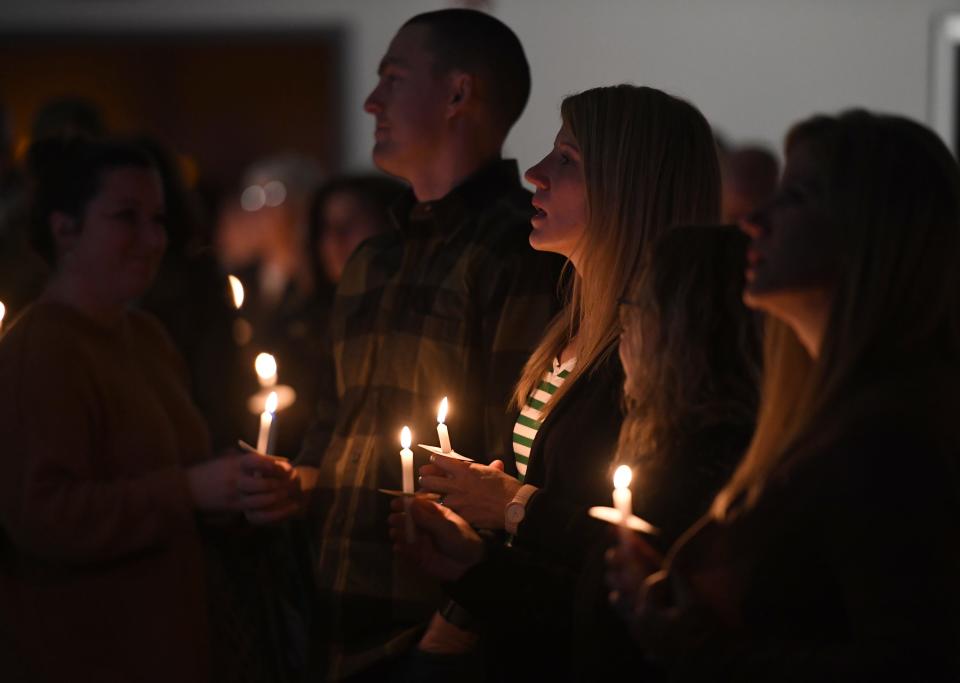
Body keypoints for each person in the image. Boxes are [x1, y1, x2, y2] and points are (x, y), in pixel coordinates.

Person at [246, 10, 564, 680]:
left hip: (435, 632)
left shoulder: (518, 253)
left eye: (392, 77)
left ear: (458, 95)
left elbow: (523, 453)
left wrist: (455, 625)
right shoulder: (372, 259)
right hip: (335, 618)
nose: (371, 101)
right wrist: (292, 481)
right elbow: (335, 422)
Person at [392, 86, 740, 680]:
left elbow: (657, 547)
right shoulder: (570, 329)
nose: (534, 173)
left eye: (567, 160)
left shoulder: (668, 355)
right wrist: (473, 559)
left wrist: (513, 507)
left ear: (630, 188)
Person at [607, 110, 960, 680]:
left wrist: (697, 647)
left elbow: (913, 661)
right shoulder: (824, 414)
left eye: (794, 198)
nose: (754, 221)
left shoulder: (890, 437)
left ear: (869, 229)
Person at [0, 137, 294, 682]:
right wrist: (190, 489)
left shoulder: (146, 336)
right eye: (125, 218)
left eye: (157, 219)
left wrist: (240, 487)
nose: (151, 239)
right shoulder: (38, 348)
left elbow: (174, 468)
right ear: (65, 228)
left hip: (172, 642)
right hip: (88, 650)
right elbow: (40, 519)